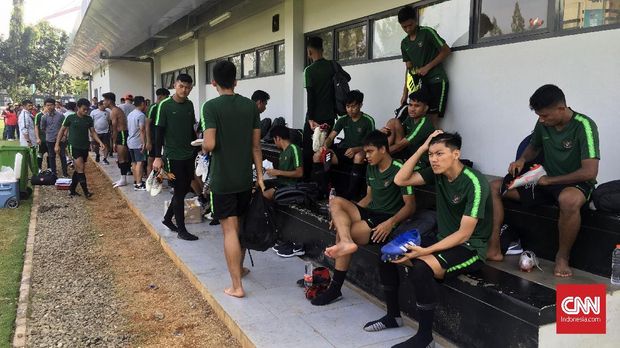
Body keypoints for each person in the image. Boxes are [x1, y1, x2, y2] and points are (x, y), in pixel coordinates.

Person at [486, 85, 600, 277]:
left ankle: (562, 257)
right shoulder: (544, 124)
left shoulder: (585, 126)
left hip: (573, 183)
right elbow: (534, 146)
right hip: (543, 181)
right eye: (539, 116)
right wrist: (522, 160)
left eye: (545, 115)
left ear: (561, 109)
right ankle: (494, 247)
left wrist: (551, 181)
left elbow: (589, 172)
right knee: (494, 187)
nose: (541, 120)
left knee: (569, 200)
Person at [392, 131, 491, 348]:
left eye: (439, 153)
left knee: (421, 268)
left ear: (456, 154)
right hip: (444, 239)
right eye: (431, 154)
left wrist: (426, 252)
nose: (434, 159)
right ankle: (392, 316)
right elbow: (400, 179)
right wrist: (421, 148)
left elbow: (465, 234)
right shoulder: (437, 173)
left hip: (470, 247)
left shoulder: (475, 182)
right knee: (390, 252)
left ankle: (425, 337)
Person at [314, 130, 416, 306]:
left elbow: (410, 206)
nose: (365, 156)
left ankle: (335, 288)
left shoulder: (399, 169)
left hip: (387, 218)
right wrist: (340, 217)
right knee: (336, 202)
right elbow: (369, 198)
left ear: (383, 149)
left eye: (370, 151)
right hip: (371, 212)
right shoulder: (371, 167)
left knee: (344, 233)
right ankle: (345, 242)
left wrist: (390, 223)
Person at [201, 60, 264, 298]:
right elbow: (256, 147)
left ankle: (236, 286)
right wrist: (259, 177)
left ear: (214, 83)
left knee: (229, 230)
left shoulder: (211, 107)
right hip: (244, 179)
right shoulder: (250, 107)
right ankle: (241, 267)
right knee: (241, 226)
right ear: (236, 81)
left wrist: (202, 148)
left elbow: (210, 143)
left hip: (223, 179)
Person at [152, 73, 199, 241]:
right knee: (179, 191)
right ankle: (181, 230)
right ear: (175, 85)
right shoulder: (164, 105)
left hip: (189, 153)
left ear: (191, 88)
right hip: (172, 156)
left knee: (185, 188)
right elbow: (158, 132)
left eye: (188, 87)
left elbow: (190, 129)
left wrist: (198, 144)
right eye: (181, 86)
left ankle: (167, 219)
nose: (184, 90)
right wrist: (158, 156)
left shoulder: (189, 104)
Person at [312, 90, 375, 199]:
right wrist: (325, 146)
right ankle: (323, 190)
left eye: (353, 106)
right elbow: (331, 137)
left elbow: (371, 144)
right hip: (345, 151)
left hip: (361, 151)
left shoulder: (368, 121)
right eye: (347, 106)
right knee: (318, 156)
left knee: (358, 156)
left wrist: (356, 149)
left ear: (360, 105)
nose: (350, 109)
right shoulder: (343, 119)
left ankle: (352, 195)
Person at [302, 36, 349, 180]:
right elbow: (346, 78)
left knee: (310, 150)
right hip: (330, 116)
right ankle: (327, 181)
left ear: (309, 52)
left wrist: (310, 118)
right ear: (322, 50)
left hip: (315, 118)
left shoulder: (309, 70)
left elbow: (311, 97)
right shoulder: (332, 65)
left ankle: (310, 181)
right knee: (327, 149)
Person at [398, 5, 451, 128]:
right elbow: (409, 69)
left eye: (410, 25)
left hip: (437, 80)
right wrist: (405, 93)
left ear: (415, 20)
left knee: (432, 121)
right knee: (421, 121)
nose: (407, 29)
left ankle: (436, 146)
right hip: (421, 85)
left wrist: (427, 67)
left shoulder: (427, 32)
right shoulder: (404, 43)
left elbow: (446, 51)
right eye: (404, 27)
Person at [55, 98, 106, 198]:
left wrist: (100, 142)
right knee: (81, 169)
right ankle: (86, 192)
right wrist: (57, 144)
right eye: (84, 109)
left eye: (87, 109)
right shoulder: (70, 118)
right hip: (73, 146)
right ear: (78, 107)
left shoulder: (88, 119)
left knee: (79, 169)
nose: (86, 111)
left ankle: (72, 189)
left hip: (84, 146)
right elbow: (62, 131)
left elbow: (93, 132)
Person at [381, 89, 436, 164]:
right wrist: (381, 133)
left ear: (425, 108)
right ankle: (382, 151)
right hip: (406, 151)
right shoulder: (410, 118)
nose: (412, 109)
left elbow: (400, 146)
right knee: (393, 122)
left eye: (417, 106)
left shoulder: (424, 123)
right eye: (410, 105)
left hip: (418, 160)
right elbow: (395, 132)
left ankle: (382, 153)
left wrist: (380, 153)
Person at [263, 125, 303, 201]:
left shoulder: (294, 148)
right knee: (258, 186)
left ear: (278, 138)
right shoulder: (282, 153)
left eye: (274, 140)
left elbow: (299, 173)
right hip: (280, 183)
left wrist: (278, 172)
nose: (275, 143)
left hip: (289, 185)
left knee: (264, 196)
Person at [104, 92, 130, 187]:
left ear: (109, 101)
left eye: (105, 100)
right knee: (121, 158)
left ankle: (123, 179)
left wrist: (114, 142)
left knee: (122, 157)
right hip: (121, 133)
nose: (103, 102)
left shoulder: (114, 111)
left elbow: (114, 128)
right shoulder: (115, 110)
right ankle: (123, 178)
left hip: (121, 133)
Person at [40, 98, 69, 177]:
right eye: (47, 105)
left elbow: (66, 126)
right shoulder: (44, 117)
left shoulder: (60, 115)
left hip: (61, 140)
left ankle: (65, 173)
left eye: (51, 105)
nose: (49, 107)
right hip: (50, 139)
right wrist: (49, 133)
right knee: (51, 156)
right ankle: (53, 173)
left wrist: (64, 136)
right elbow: (43, 128)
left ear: (54, 105)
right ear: (45, 106)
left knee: (62, 156)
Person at [145, 88, 170, 176]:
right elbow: (147, 125)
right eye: (166, 97)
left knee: (163, 160)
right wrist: (148, 141)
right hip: (153, 139)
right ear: (160, 96)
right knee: (151, 160)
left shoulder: (166, 107)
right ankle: (150, 180)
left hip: (163, 138)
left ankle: (159, 180)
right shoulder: (153, 107)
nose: (168, 99)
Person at [126, 96, 147, 190]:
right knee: (140, 163)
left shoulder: (130, 114)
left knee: (134, 163)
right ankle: (139, 184)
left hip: (130, 141)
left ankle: (136, 181)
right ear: (142, 103)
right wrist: (143, 143)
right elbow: (142, 129)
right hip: (138, 142)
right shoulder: (141, 115)